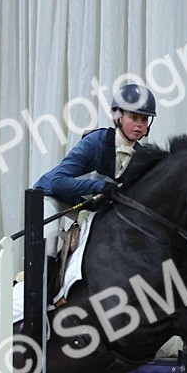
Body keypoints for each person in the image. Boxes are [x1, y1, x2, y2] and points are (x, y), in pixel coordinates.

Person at [33, 83, 157, 262]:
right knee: (49, 247)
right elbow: (57, 181)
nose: (140, 124)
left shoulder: (142, 156)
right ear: (118, 118)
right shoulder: (94, 142)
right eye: (134, 117)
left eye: (144, 120)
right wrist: (100, 186)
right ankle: (35, 286)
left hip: (89, 208)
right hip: (55, 198)